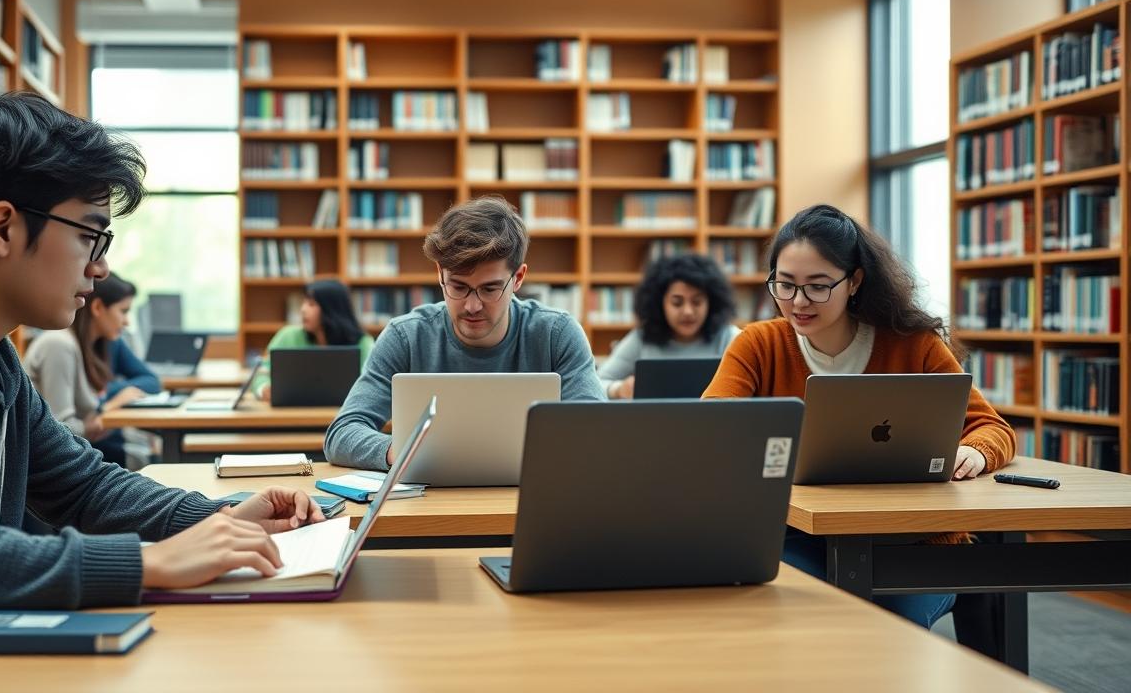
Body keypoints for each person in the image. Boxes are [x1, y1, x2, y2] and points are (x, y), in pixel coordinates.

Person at [0, 93, 323, 692]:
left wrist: (220, 519)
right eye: (91, 236)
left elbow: (83, 487)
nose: (98, 268)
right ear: (2, 227)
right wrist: (151, 562)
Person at [703, 203, 1016, 628]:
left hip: (914, 540)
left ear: (854, 282)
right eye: (784, 284)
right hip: (799, 536)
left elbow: (991, 427)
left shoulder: (912, 344)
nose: (797, 302)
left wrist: (976, 452)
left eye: (817, 286)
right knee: (791, 612)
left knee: (891, 629)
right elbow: (712, 427)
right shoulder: (757, 344)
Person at [324, 196, 605, 470]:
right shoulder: (405, 337)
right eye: (458, 287)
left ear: (517, 278)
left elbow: (595, 433)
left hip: (531, 501)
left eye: (490, 289)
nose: (472, 306)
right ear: (439, 274)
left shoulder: (557, 334)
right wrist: (397, 452)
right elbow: (341, 434)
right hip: (428, 508)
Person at [24, 274, 154, 467]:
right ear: (98, 308)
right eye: (123, 311)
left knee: (146, 454)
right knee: (144, 459)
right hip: (53, 468)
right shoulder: (59, 345)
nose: (127, 322)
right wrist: (109, 408)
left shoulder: (89, 347)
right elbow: (61, 431)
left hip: (77, 456)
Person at [598, 254, 742, 399]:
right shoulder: (641, 339)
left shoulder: (729, 337)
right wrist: (618, 389)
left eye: (697, 302)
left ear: (711, 303)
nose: (688, 312)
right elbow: (594, 385)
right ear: (660, 304)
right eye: (677, 303)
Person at [252, 279, 375, 402]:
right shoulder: (287, 336)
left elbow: (372, 385)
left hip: (343, 415)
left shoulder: (364, 343)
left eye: (311, 304)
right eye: (303, 303)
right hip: (291, 413)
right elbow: (260, 373)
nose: (303, 309)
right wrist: (263, 388)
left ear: (331, 310)